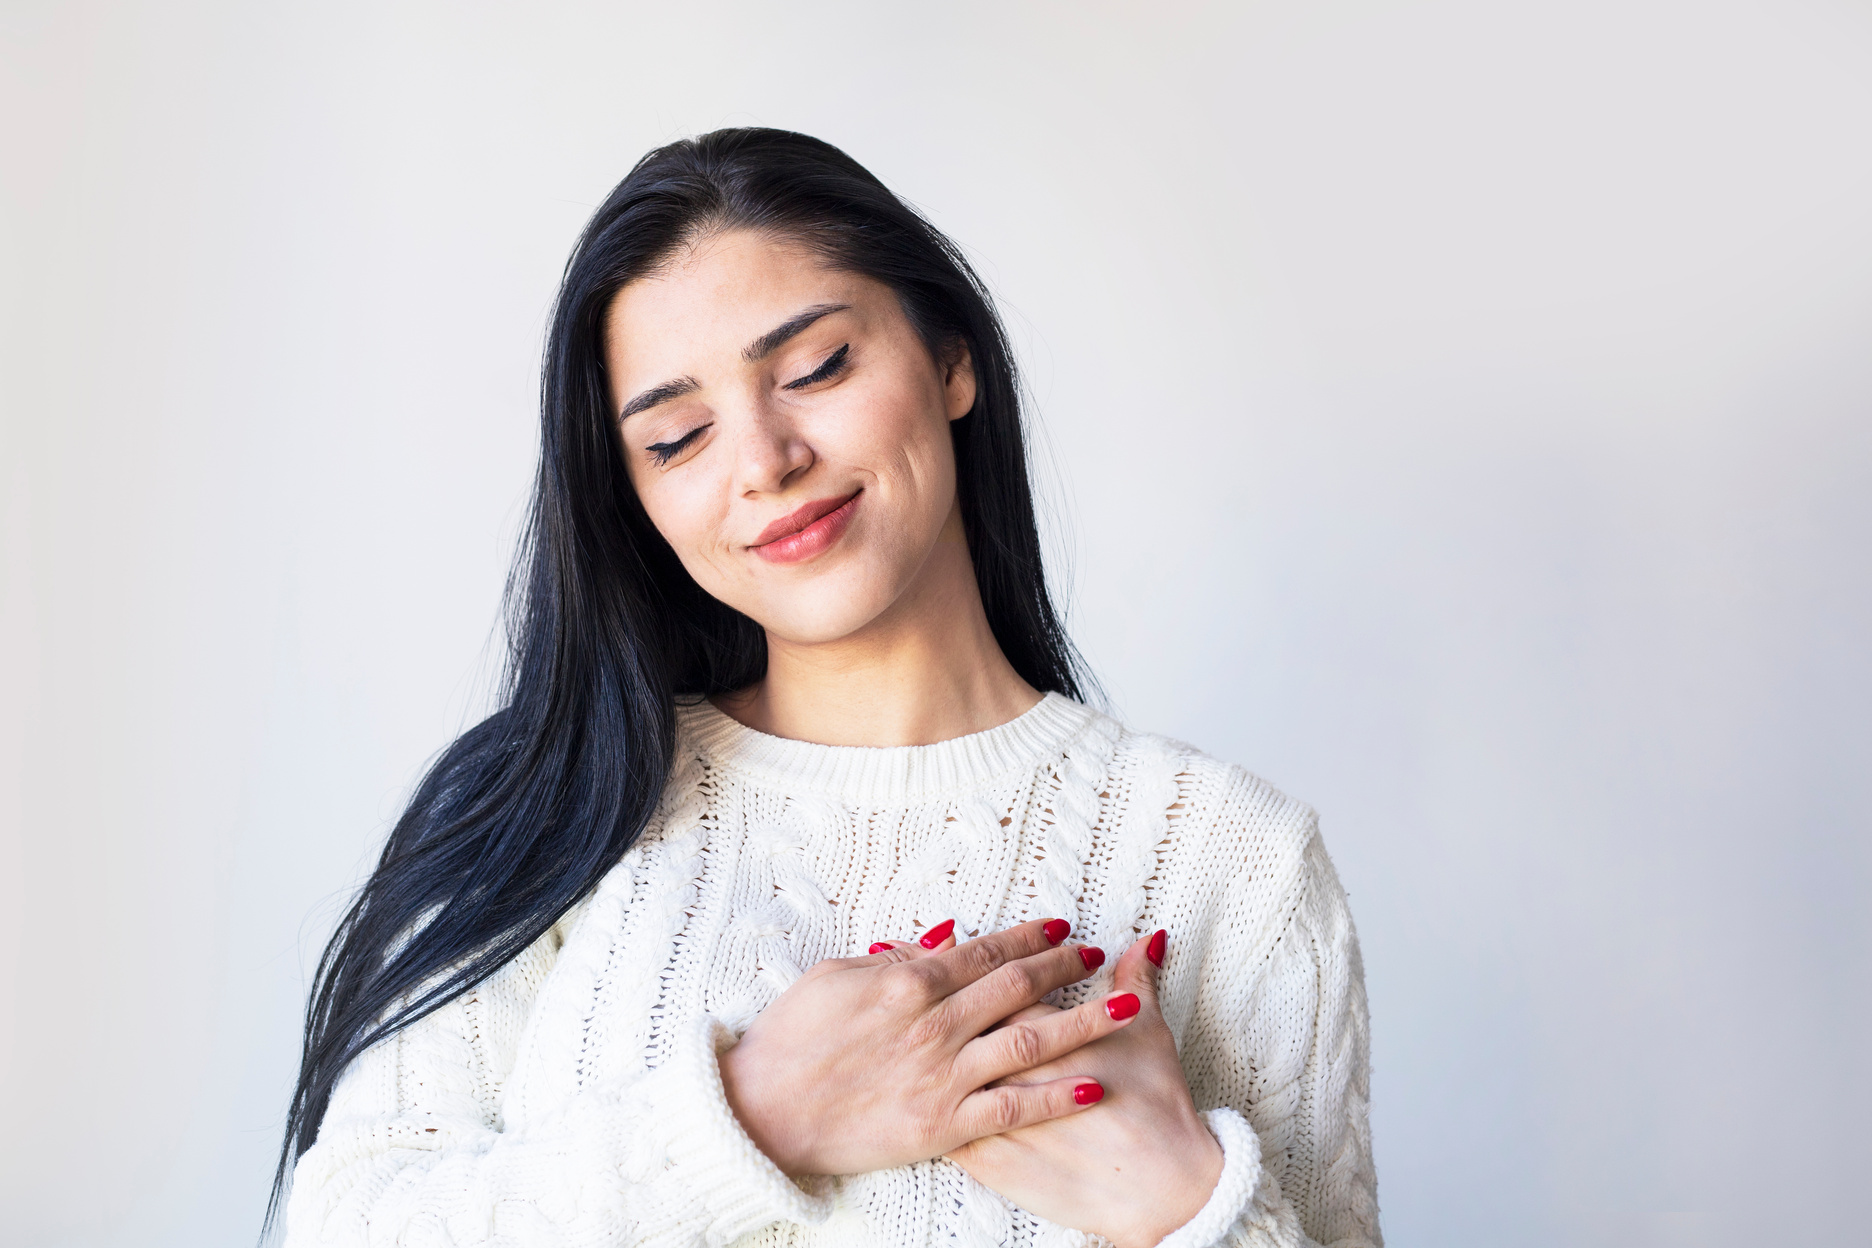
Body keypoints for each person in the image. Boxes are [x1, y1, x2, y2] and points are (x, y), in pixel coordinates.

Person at [273, 128, 1380, 1248]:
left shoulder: (1233, 862)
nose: (763, 460)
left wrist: (1186, 1205)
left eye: (815, 369)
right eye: (679, 436)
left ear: (952, 363)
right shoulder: (547, 807)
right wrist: (759, 1117)